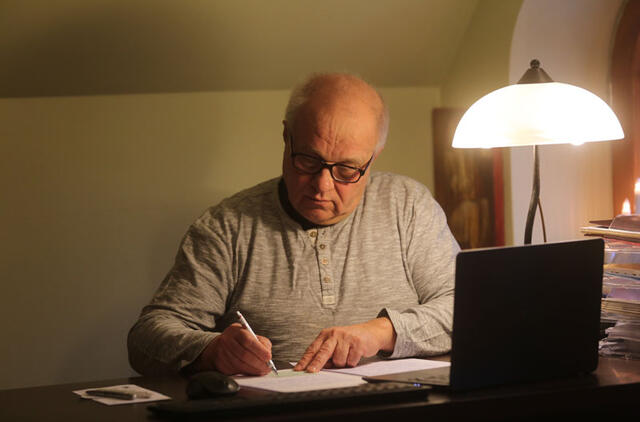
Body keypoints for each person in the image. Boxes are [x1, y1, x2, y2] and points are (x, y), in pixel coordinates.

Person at [127, 73, 459, 377]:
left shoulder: (408, 206)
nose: (322, 186)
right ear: (286, 136)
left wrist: (384, 332)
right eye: (308, 161)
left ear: (374, 155)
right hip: (277, 409)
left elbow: (467, 309)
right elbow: (146, 339)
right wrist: (212, 351)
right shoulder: (227, 227)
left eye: (346, 169)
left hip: (398, 406)